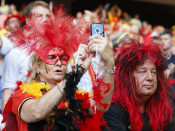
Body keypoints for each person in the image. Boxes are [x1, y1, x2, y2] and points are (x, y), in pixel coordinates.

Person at [2, 5, 114, 131]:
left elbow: (101, 105)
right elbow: (36, 112)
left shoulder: (74, 97)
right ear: (36, 66)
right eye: (51, 57)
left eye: (63, 58)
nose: (59, 63)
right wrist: (74, 75)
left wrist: (110, 63)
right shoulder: (22, 94)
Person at [101, 38, 175, 131]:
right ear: (127, 78)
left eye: (153, 72)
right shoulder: (113, 110)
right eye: (142, 71)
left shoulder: (163, 107)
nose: (150, 77)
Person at [1, 1, 51, 110]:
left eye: (48, 16)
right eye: (40, 16)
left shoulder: (60, 53)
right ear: (28, 21)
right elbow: (8, 91)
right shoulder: (16, 54)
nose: (45, 19)